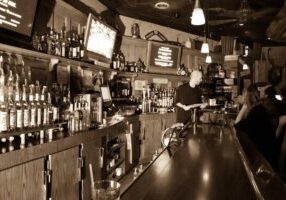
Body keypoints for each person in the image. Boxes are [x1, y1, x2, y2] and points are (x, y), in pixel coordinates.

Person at [234, 85, 280, 169]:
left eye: (244, 95)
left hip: (265, 162)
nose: (242, 97)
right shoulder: (259, 109)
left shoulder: (257, 112)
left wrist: (244, 106)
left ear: (249, 97)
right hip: (267, 156)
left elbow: (237, 126)